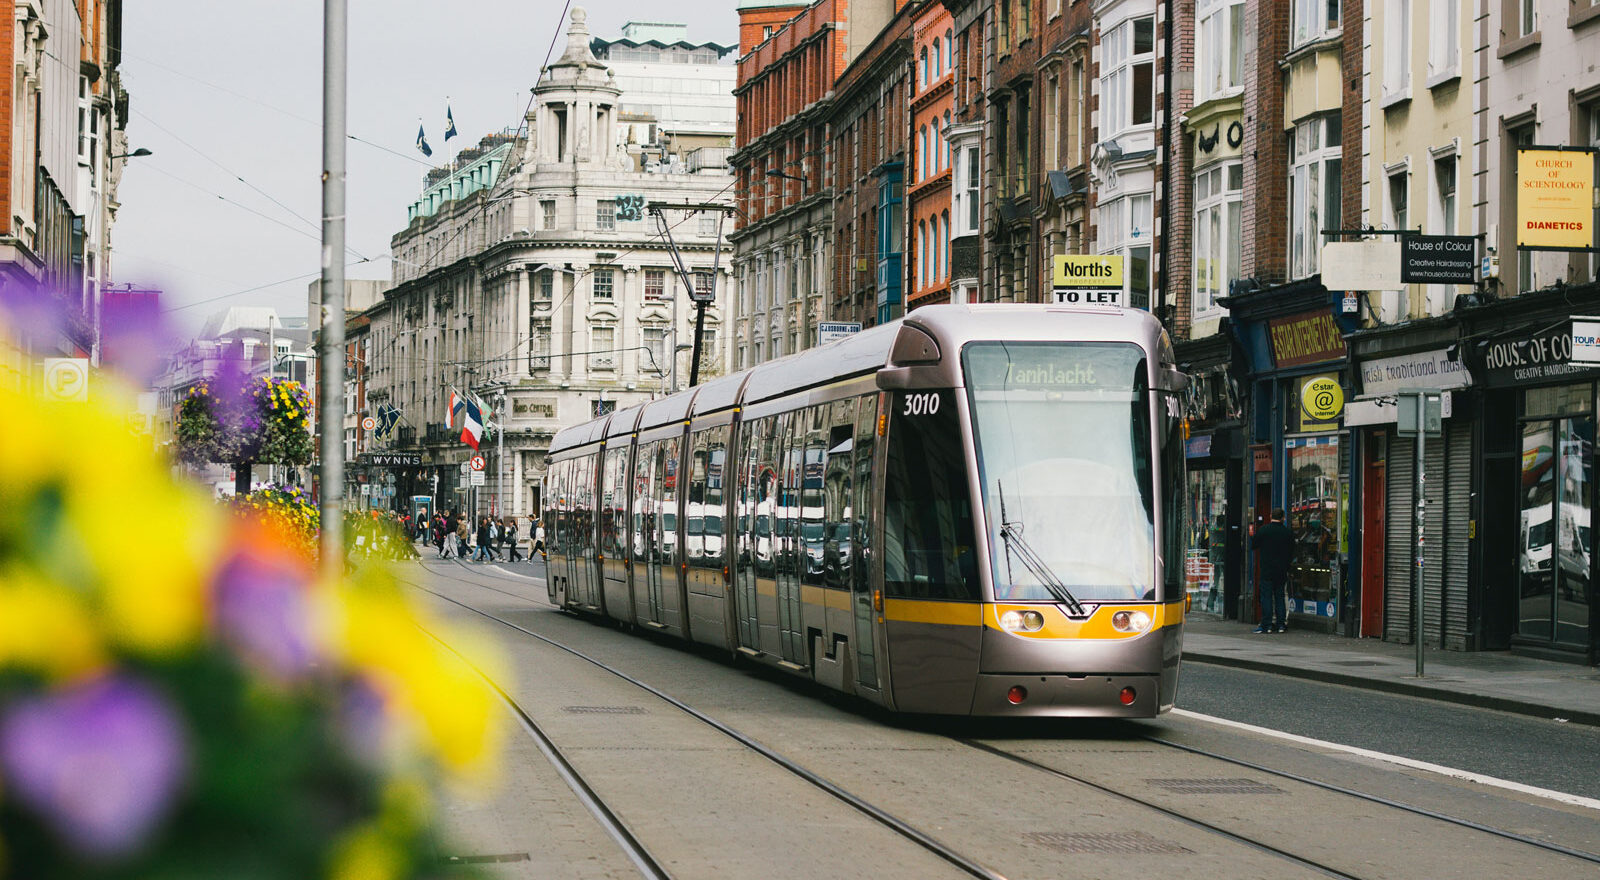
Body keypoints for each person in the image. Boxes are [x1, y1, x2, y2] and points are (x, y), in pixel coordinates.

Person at [1252, 507, 1294, 634]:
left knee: (1266, 597)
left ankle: (1267, 624)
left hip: (1266, 570)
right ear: (1283, 518)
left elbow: (1254, 545)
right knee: (1280, 597)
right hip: (1281, 570)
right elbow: (1292, 551)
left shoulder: (1264, 530)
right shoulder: (1287, 532)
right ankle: (1281, 624)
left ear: (1270, 516)